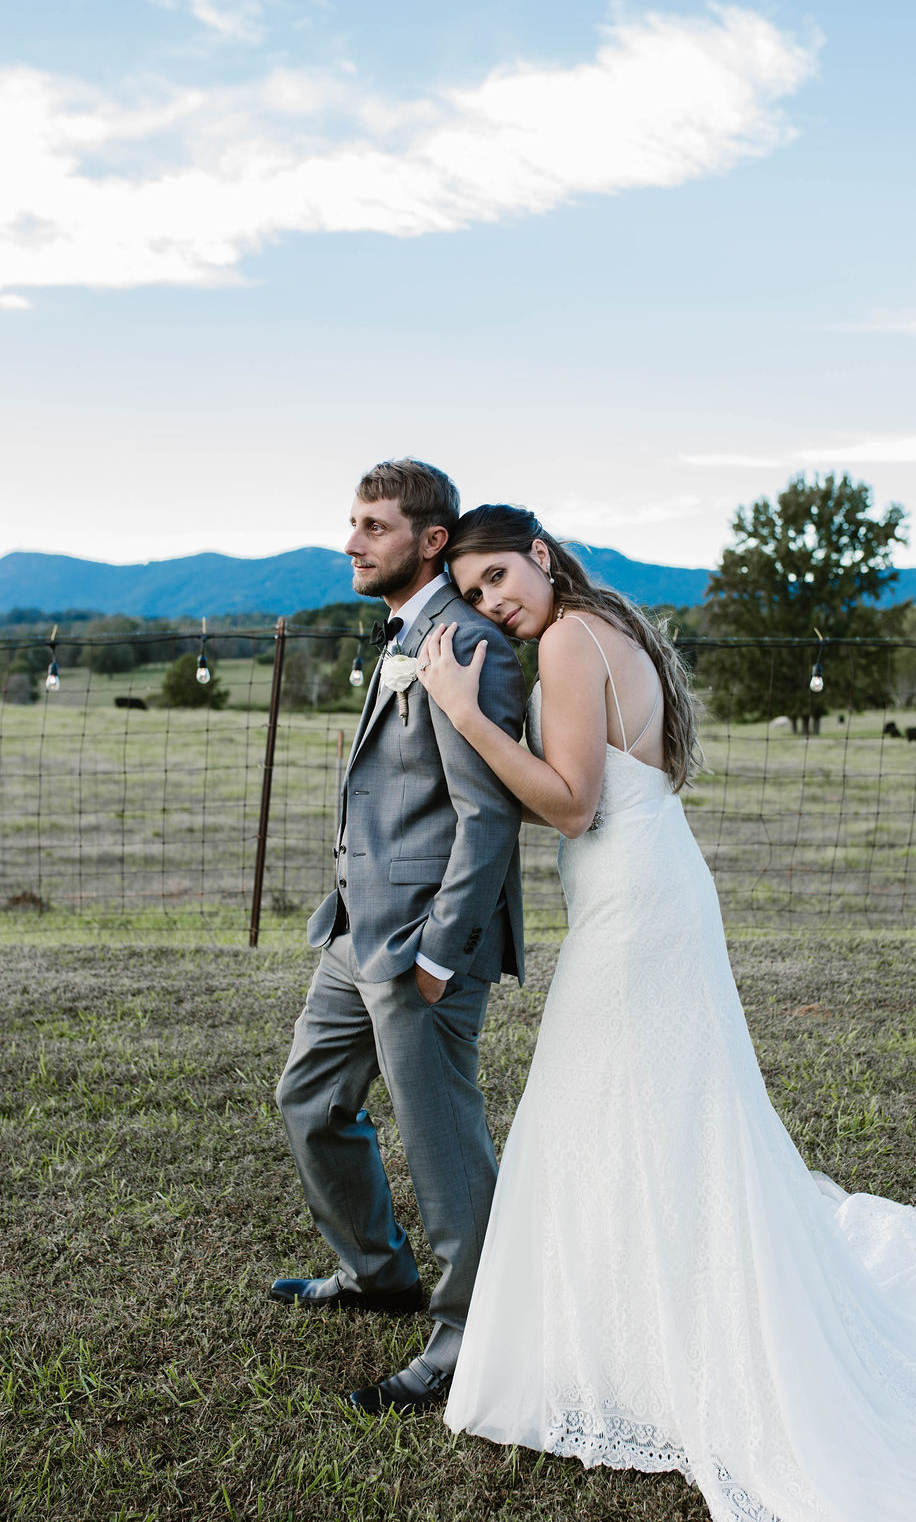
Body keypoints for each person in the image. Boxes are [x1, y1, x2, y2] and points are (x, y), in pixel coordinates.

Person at [414, 503, 916, 1522]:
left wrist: (463, 711)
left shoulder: (567, 638)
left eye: (496, 580)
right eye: (472, 594)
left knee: (602, 1110)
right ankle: (633, 1336)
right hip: (647, 887)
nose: (491, 604)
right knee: (650, 1117)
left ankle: (633, 1349)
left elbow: (569, 802)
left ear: (540, 556)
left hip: (633, 908)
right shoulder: (605, 624)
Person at [272, 463, 526, 1416]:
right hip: (353, 926)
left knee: (443, 1143)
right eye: (350, 521)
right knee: (308, 1100)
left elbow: (486, 818)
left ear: (428, 541)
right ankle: (377, 1271)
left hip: (423, 944)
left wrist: (437, 953)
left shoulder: (466, 646)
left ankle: (472, 1333)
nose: (351, 541)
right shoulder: (400, 635)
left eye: (372, 525)